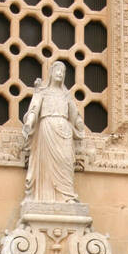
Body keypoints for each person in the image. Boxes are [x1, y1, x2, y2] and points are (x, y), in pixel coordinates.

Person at [21, 60, 86, 203]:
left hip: (64, 131)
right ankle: (45, 197)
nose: (60, 74)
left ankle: (67, 196)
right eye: (57, 70)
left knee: (66, 161)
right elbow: (34, 110)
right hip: (47, 129)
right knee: (47, 165)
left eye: (62, 72)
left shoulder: (66, 95)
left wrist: (79, 124)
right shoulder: (42, 92)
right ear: (51, 73)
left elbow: (74, 114)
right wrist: (29, 123)